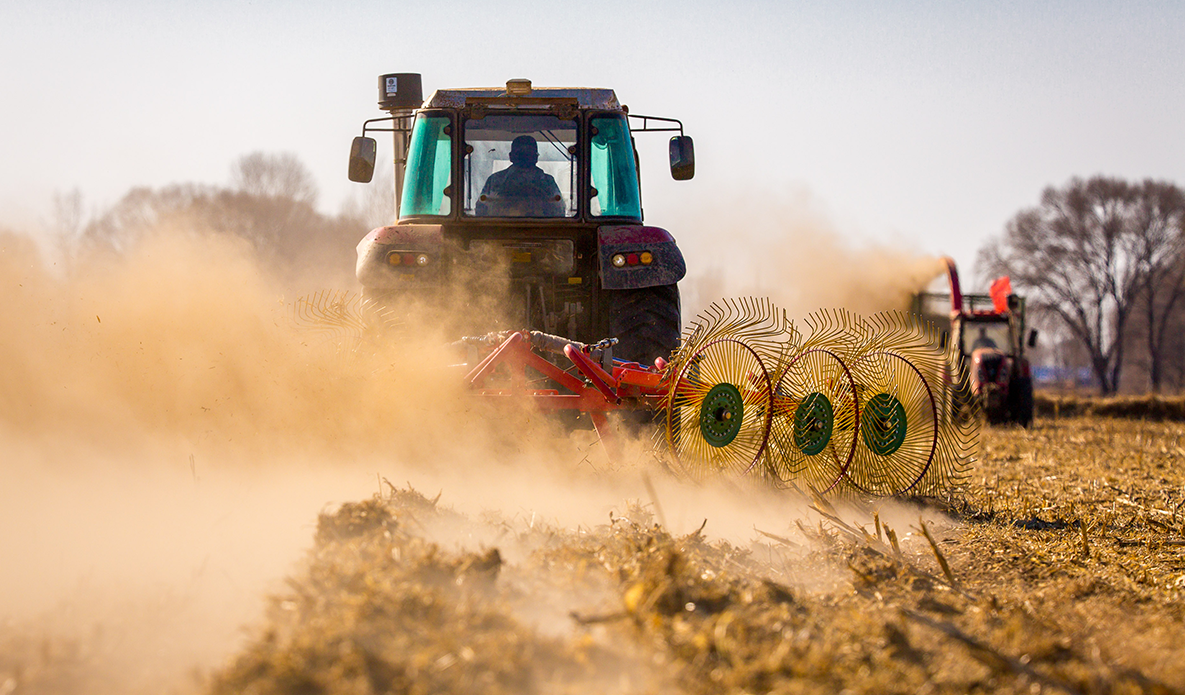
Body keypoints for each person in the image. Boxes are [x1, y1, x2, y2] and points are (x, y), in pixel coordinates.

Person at [476, 135, 564, 217]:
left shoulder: (496, 180)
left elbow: (559, 213)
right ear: (536, 157)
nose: (525, 157)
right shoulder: (547, 181)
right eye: (521, 154)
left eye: (528, 154)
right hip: (501, 231)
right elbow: (481, 213)